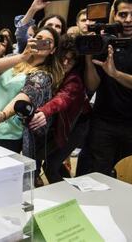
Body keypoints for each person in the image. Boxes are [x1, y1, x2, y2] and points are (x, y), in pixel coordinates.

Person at [0, 27, 63, 154]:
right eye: (39, 39)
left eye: (48, 42)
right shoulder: (14, 58)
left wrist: (3, 115)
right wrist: (23, 56)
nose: (42, 43)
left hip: (9, 132)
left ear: (53, 50)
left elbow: (24, 96)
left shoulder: (44, 75)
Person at [83, 0, 132, 176]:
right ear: (114, 15)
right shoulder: (104, 43)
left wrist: (115, 74)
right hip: (103, 122)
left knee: (130, 174)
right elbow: (91, 86)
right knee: (99, 174)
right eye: (123, 14)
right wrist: (89, 55)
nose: (128, 19)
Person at [28, 35, 91, 183]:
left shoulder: (74, 79)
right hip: (58, 123)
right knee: (46, 162)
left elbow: (62, 99)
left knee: (51, 165)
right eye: (63, 57)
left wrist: (44, 111)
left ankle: (68, 196)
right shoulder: (49, 69)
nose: (65, 62)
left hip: (77, 126)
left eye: (71, 59)